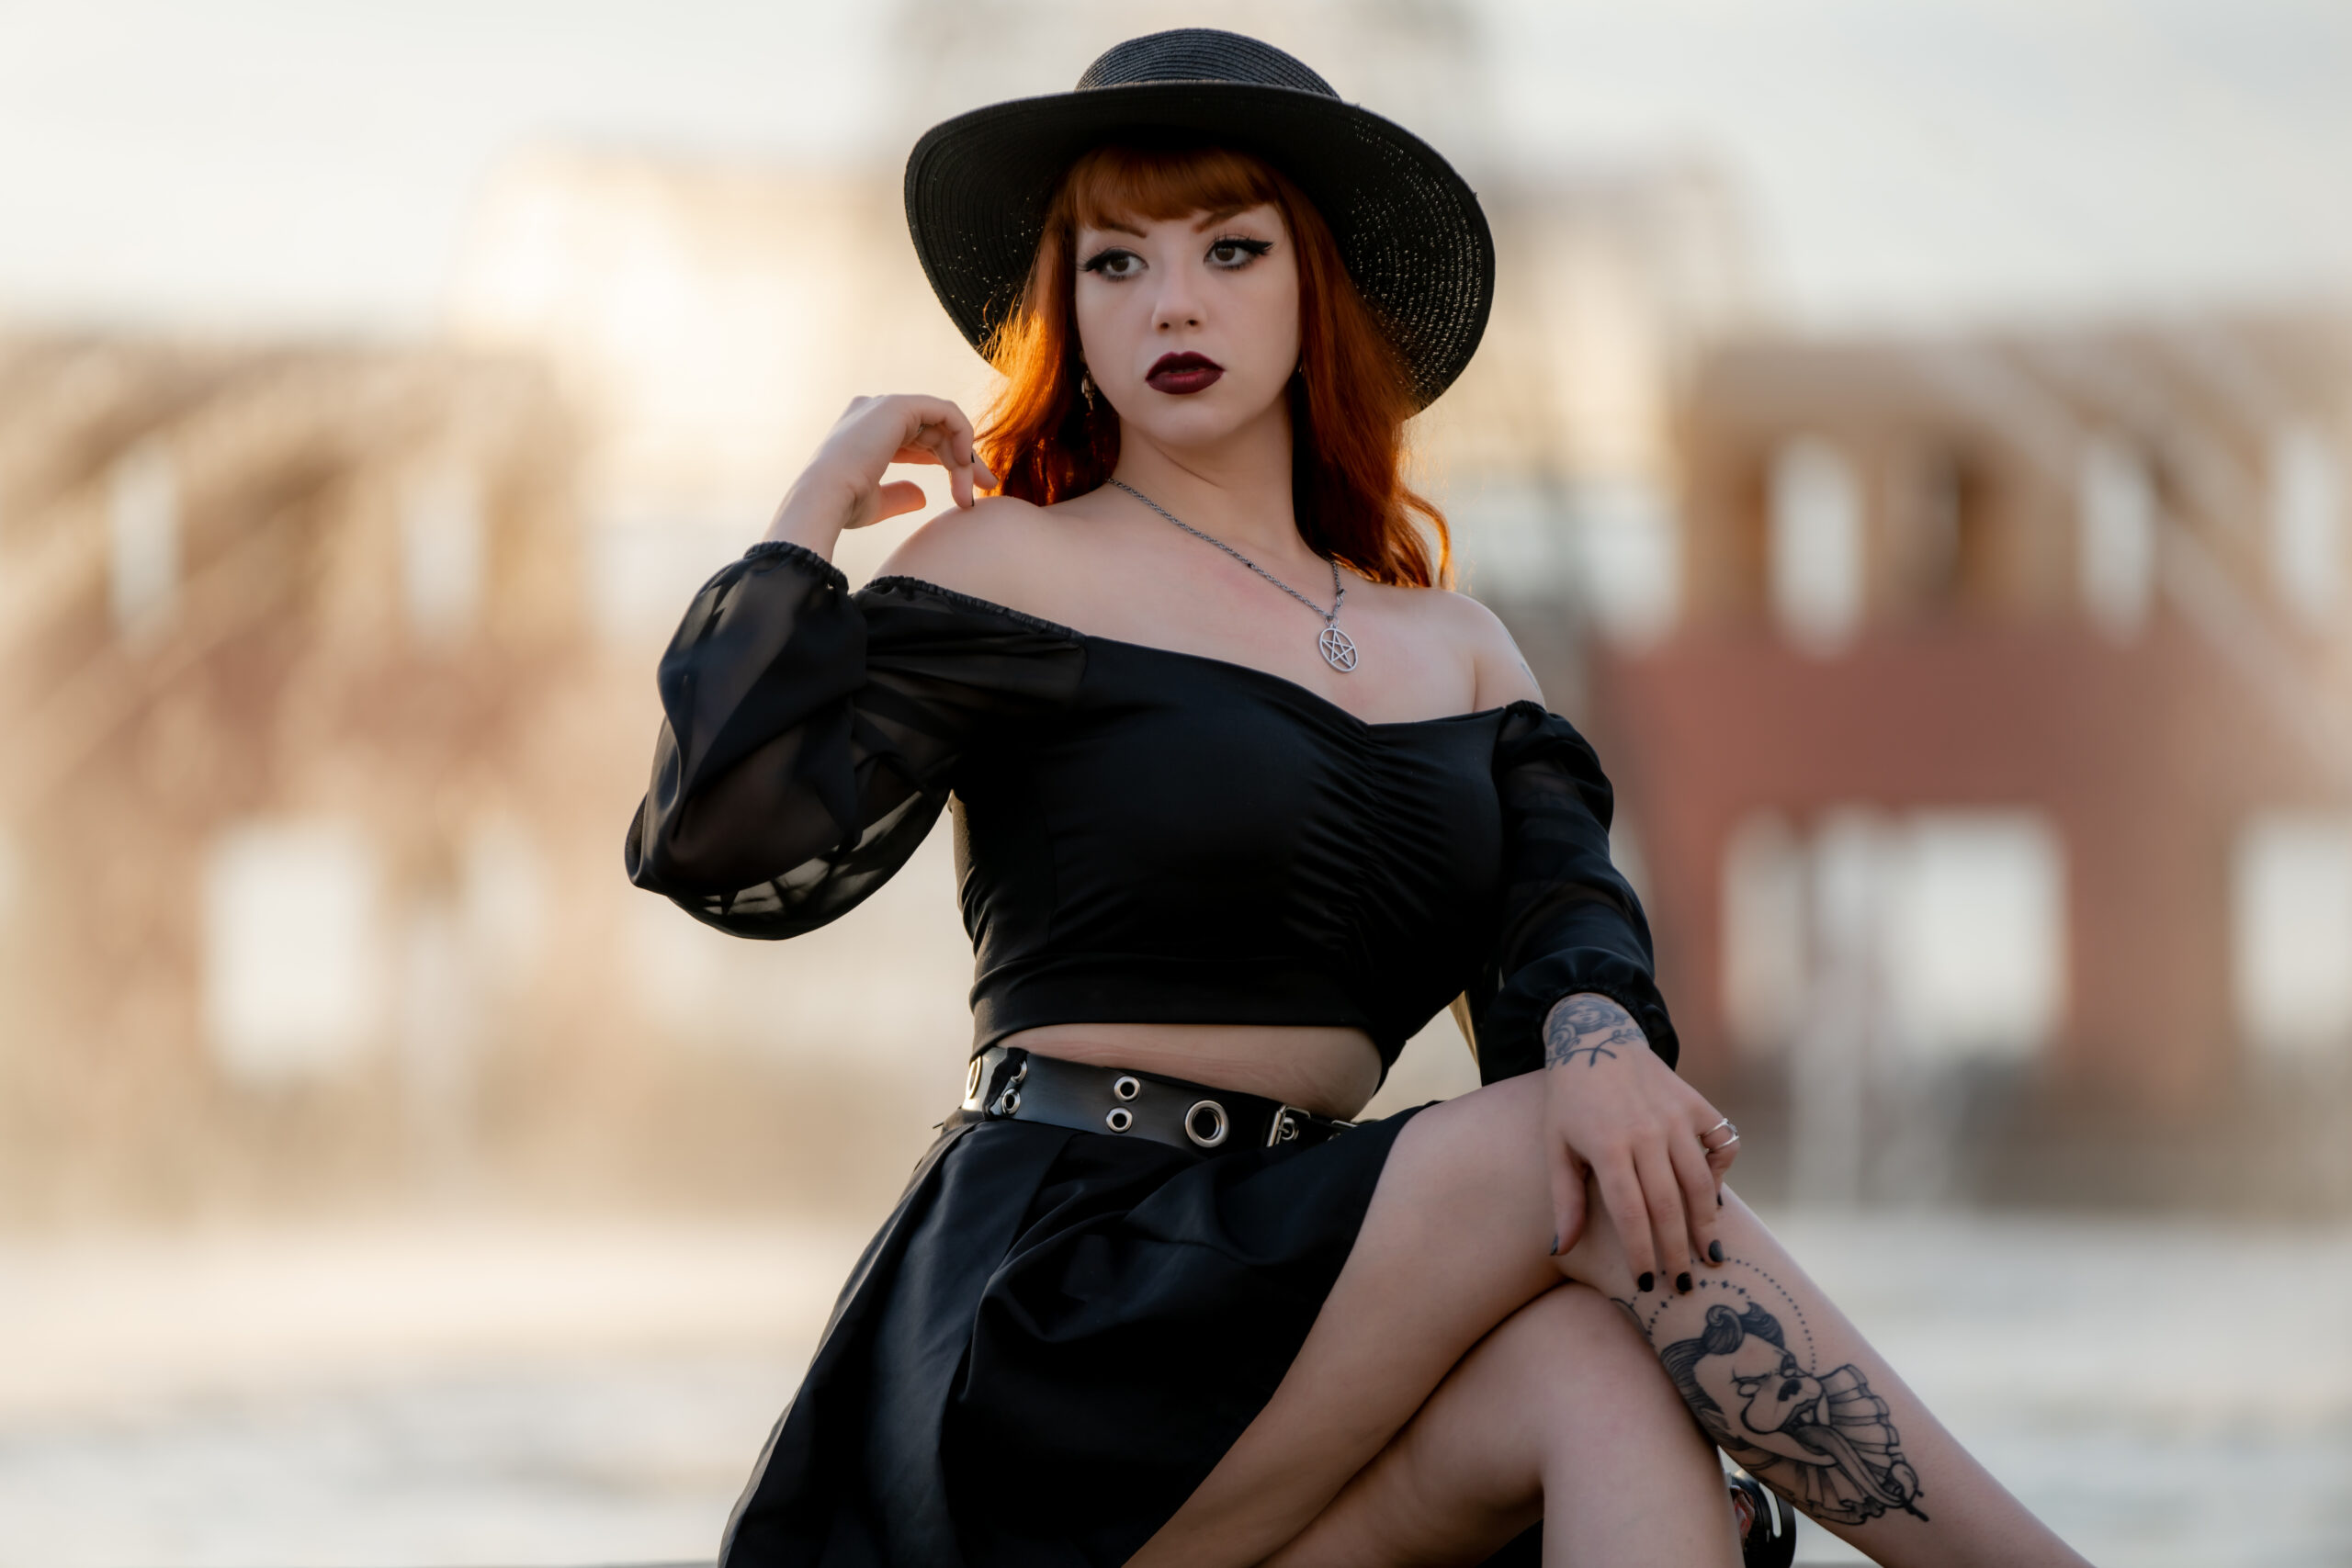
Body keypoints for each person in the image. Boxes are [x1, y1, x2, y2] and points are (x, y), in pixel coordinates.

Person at [627, 28, 2091, 1568]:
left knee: (1595, 1372)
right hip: (1065, 1322)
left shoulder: (1460, 651)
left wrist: (1594, 1039)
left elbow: (1564, 934)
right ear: (1070, 309)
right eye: (1116, 263)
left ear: (1315, 285)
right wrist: (813, 510)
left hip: (1300, 1330)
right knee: (1564, 1149)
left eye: (1230, 250)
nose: (1172, 301)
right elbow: (726, 842)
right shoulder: (1010, 566)